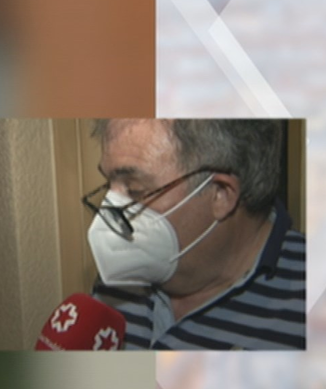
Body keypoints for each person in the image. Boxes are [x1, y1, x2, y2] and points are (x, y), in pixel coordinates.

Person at [84, 119, 304, 350]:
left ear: (221, 193)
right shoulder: (121, 267)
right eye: (109, 184)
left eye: (135, 189)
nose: (109, 218)